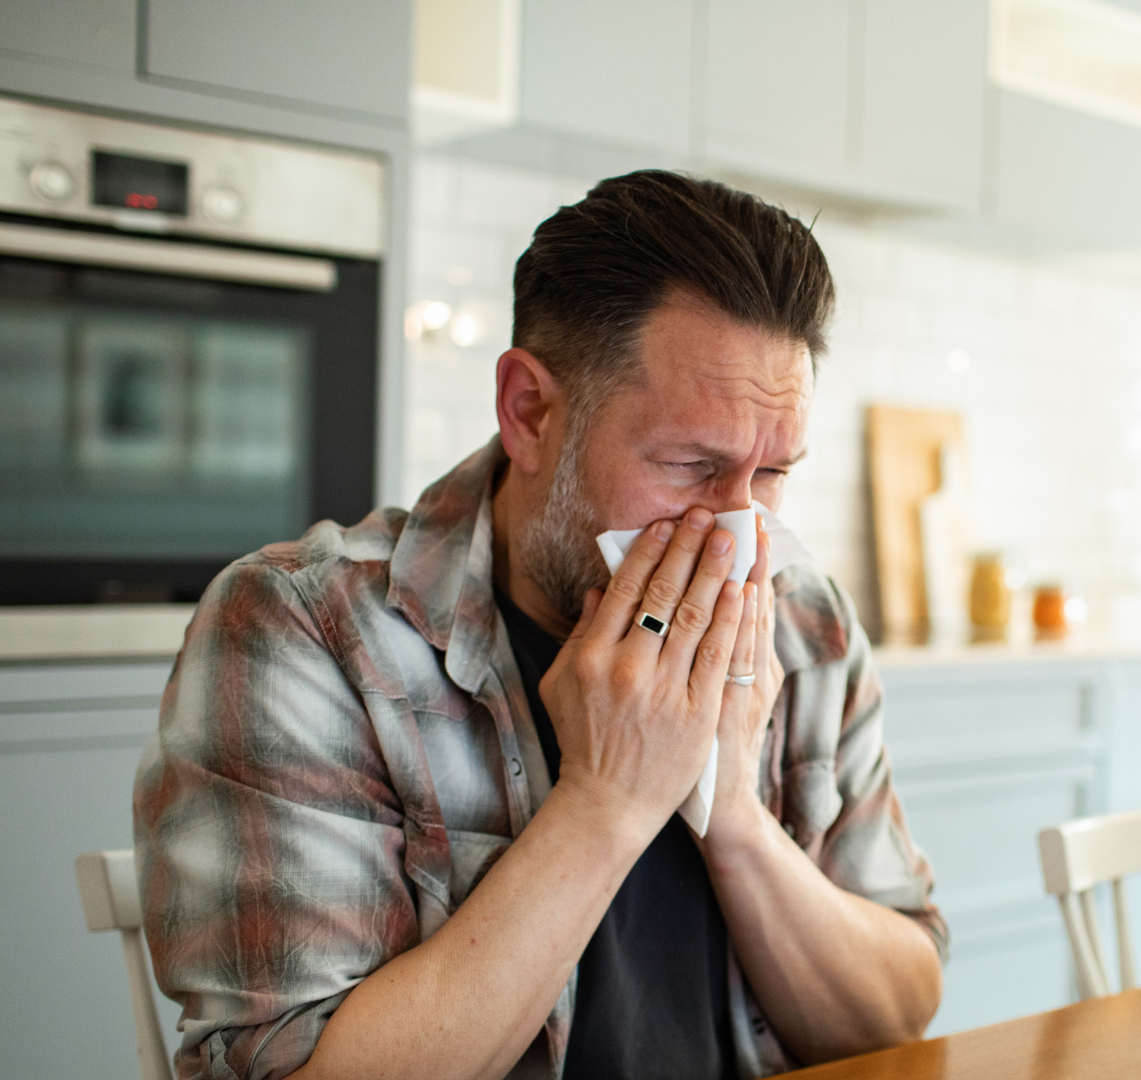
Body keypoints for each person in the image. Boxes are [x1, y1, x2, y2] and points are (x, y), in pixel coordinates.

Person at [133, 170, 946, 1080]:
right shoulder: (303, 630)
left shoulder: (803, 624)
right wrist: (609, 801)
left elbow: (899, 1015)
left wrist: (738, 820)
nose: (739, 537)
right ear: (529, 412)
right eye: (690, 465)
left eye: (772, 476)